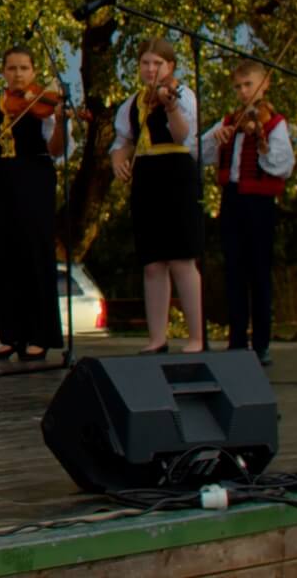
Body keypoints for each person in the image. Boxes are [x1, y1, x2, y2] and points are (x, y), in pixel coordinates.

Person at [0, 46, 70, 363]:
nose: (17, 74)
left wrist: (60, 123)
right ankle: (10, 335)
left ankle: (39, 335)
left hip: (35, 178)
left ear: (33, 72)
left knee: (35, 253)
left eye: (24, 68)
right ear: (3, 72)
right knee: (3, 257)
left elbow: (57, 150)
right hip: (1, 180)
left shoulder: (43, 104)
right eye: (11, 68)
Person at [110, 37, 205, 355]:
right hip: (147, 177)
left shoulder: (183, 96)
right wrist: (118, 161)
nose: (151, 69)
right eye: (145, 63)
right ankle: (157, 337)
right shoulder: (132, 103)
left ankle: (195, 337)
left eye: (158, 64)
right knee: (152, 262)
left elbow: (183, 135)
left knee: (181, 258)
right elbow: (123, 140)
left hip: (176, 173)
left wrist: (171, 105)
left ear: (171, 67)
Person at [200, 61, 296, 367]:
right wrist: (218, 139)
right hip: (232, 200)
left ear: (264, 84)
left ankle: (262, 343)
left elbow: (283, 165)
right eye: (238, 87)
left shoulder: (275, 122)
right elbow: (199, 152)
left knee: (259, 272)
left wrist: (261, 139)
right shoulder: (230, 120)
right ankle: (237, 340)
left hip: (260, 203)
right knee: (234, 271)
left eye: (248, 85)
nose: (243, 92)